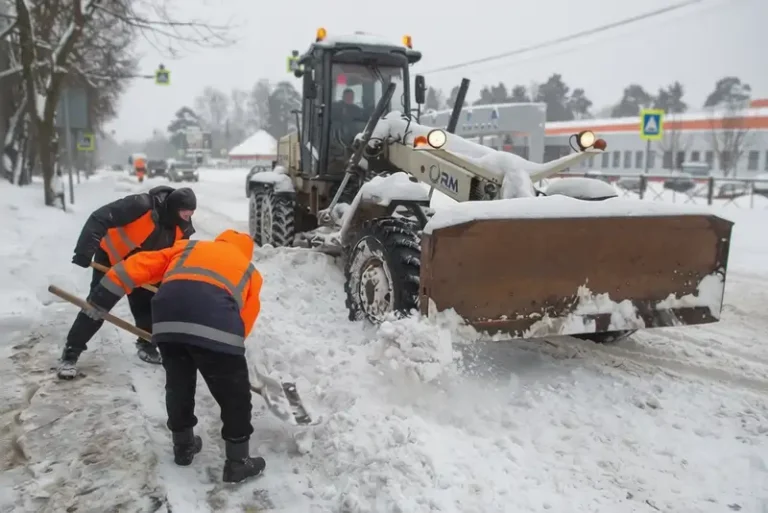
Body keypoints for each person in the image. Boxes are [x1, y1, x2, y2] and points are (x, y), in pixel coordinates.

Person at [83, 229, 267, 483]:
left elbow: (136, 266)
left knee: (179, 383)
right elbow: (244, 321)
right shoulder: (250, 271)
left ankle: (183, 447)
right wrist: (225, 355)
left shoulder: (188, 248)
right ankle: (238, 462)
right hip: (216, 322)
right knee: (234, 394)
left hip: (167, 320)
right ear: (246, 251)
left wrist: (100, 300)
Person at [57, 185, 197, 379]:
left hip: (143, 267)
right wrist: (84, 250)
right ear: (172, 208)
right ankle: (71, 354)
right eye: (184, 213)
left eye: (190, 214)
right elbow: (100, 217)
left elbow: (177, 254)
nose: (187, 218)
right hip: (112, 260)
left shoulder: (182, 227)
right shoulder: (141, 205)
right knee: (97, 306)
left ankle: (146, 344)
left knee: (150, 305)